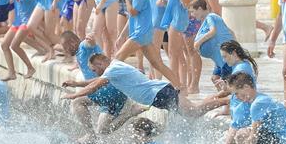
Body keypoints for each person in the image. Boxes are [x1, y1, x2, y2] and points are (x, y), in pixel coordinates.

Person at [113, 0, 184, 89]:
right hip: (142, 34)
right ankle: (179, 87)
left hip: (140, 34)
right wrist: (121, 35)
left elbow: (133, 12)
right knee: (157, 64)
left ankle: (117, 88)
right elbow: (131, 18)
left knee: (117, 58)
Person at [62, 53, 192, 112]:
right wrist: (76, 84)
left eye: (95, 69)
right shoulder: (113, 70)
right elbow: (96, 81)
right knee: (191, 113)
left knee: (193, 111)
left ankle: (213, 102)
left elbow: (93, 87)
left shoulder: (113, 68)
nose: (96, 73)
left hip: (159, 93)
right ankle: (213, 102)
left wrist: (73, 95)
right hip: (157, 94)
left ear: (100, 63)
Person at [190, 0, 236, 90]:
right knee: (214, 78)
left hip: (225, 59)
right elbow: (231, 32)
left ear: (199, 9)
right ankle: (223, 100)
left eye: (193, 11)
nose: (192, 15)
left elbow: (213, 32)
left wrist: (198, 43)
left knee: (225, 83)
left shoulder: (210, 17)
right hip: (219, 58)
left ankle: (227, 101)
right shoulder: (214, 18)